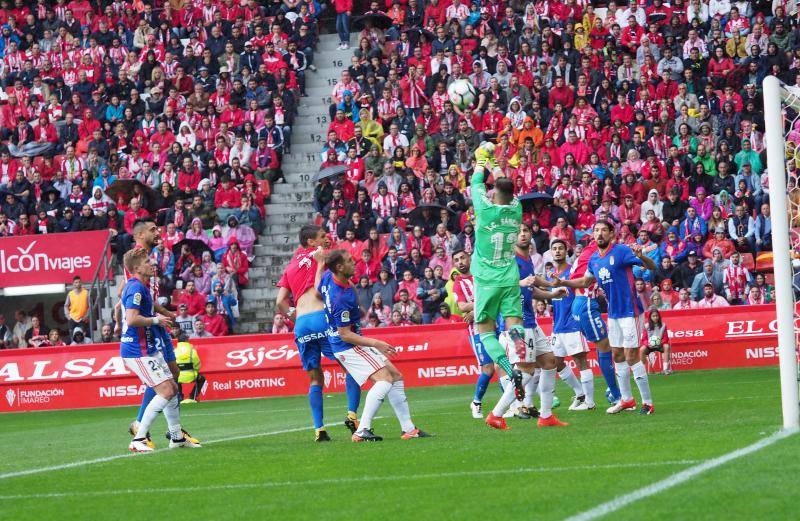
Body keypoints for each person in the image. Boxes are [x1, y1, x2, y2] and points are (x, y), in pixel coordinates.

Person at [469, 143, 564, 430]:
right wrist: (497, 165)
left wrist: (481, 160)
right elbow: (505, 187)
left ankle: (527, 393)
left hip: (487, 281)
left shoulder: (485, 210)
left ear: (493, 193)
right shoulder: (516, 209)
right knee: (516, 333)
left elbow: (476, 181)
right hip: (510, 280)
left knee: (485, 330)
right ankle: (505, 403)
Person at [316, 248, 431, 441]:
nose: (355, 263)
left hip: (349, 341)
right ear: (339, 267)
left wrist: (320, 264)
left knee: (396, 376)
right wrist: (377, 343)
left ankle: (408, 429)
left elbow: (318, 285)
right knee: (385, 379)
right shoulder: (340, 297)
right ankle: (362, 430)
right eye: (350, 261)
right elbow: (345, 334)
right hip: (347, 345)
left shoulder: (328, 276)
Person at [558, 220, 658, 415]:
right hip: (613, 314)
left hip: (630, 312)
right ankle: (626, 400)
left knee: (631, 356)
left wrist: (642, 257)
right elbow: (586, 281)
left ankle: (647, 402)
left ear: (612, 234)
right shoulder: (594, 259)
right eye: (596, 230)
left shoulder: (621, 251)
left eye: (604, 230)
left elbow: (652, 266)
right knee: (617, 355)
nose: (599, 234)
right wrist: (564, 281)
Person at [275, 224, 362, 442]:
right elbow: (318, 291)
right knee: (352, 366)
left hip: (302, 324)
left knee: (315, 379)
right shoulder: (322, 257)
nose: (327, 238)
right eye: (323, 236)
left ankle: (319, 429)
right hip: (322, 317)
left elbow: (280, 302)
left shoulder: (291, 266)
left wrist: (298, 319)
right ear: (311, 242)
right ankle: (352, 415)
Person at [119, 248, 200, 452]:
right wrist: (157, 320)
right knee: (166, 389)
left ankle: (176, 437)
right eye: (147, 261)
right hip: (137, 350)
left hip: (148, 348)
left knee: (172, 386)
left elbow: (150, 305)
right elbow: (131, 318)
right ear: (137, 268)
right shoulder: (135, 288)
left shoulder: (142, 287)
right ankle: (139, 439)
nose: (152, 263)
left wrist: (166, 313)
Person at [548, 239, 596, 410]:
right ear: (551, 253)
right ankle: (580, 393)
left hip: (573, 323)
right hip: (558, 326)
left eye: (561, 248)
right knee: (555, 361)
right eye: (554, 249)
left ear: (566, 251)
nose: (558, 251)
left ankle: (590, 402)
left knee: (581, 360)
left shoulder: (572, 272)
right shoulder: (550, 276)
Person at [452, 248, 495, 418]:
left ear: (469, 258)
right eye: (456, 260)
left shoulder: (481, 275)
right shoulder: (458, 284)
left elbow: (493, 295)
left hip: (494, 324)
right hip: (476, 330)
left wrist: (476, 309)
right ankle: (476, 402)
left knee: (501, 366)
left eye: (463, 258)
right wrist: (480, 306)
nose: (460, 262)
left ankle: (515, 404)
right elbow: (462, 307)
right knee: (488, 368)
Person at [640, 308, 672, 375]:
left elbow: (666, 338)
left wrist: (660, 342)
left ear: (659, 316)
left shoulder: (663, 325)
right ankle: (642, 371)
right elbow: (644, 339)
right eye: (653, 316)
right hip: (649, 346)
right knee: (642, 349)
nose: (655, 317)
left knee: (666, 346)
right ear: (650, 317)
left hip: (660, 345)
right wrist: (648, 344)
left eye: (657, 316)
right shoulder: (646, 326)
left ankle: (665, 369)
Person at [175, 334, 205, 404]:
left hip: (178, 377)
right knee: (202, 378)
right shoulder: (192, 351)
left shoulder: (174, 351)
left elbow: (172, 365)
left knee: (176, 380)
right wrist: (195, 371)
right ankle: (192, 396)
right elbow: (197, 365)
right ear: (186, 340)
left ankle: (180, 397)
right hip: (191, 376)